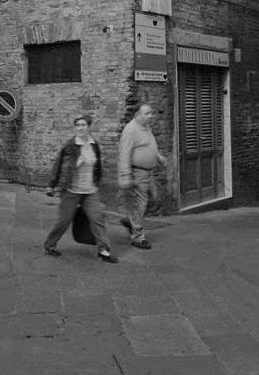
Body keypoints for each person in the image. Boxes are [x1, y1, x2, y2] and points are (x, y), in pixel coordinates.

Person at [41, 115, 118, 263]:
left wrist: (97, 182)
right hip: (72, 190)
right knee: (64, 220)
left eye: (83, 125)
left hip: (90, 190)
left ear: (89, 127)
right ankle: (49, 245)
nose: (80, 128)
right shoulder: (70, 146)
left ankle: (103, 250)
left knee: (97, 219)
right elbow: (59, 165)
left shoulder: (94, 144)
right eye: (78, 125)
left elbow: (97, 166)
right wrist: (51, 184)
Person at [117, 103, 168, 250]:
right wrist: (125, 176)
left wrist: (159, 157)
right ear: (137, 115)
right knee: (139, 203)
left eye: (151, 113)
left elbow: (149, 145)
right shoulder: (131, 129)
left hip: (147, 173)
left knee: (152, 200)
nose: (151, 116)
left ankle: (131, 222)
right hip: (137, 173)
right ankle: (138, 237)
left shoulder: (146, 127)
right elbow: (124, 153)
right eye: (147, 113)